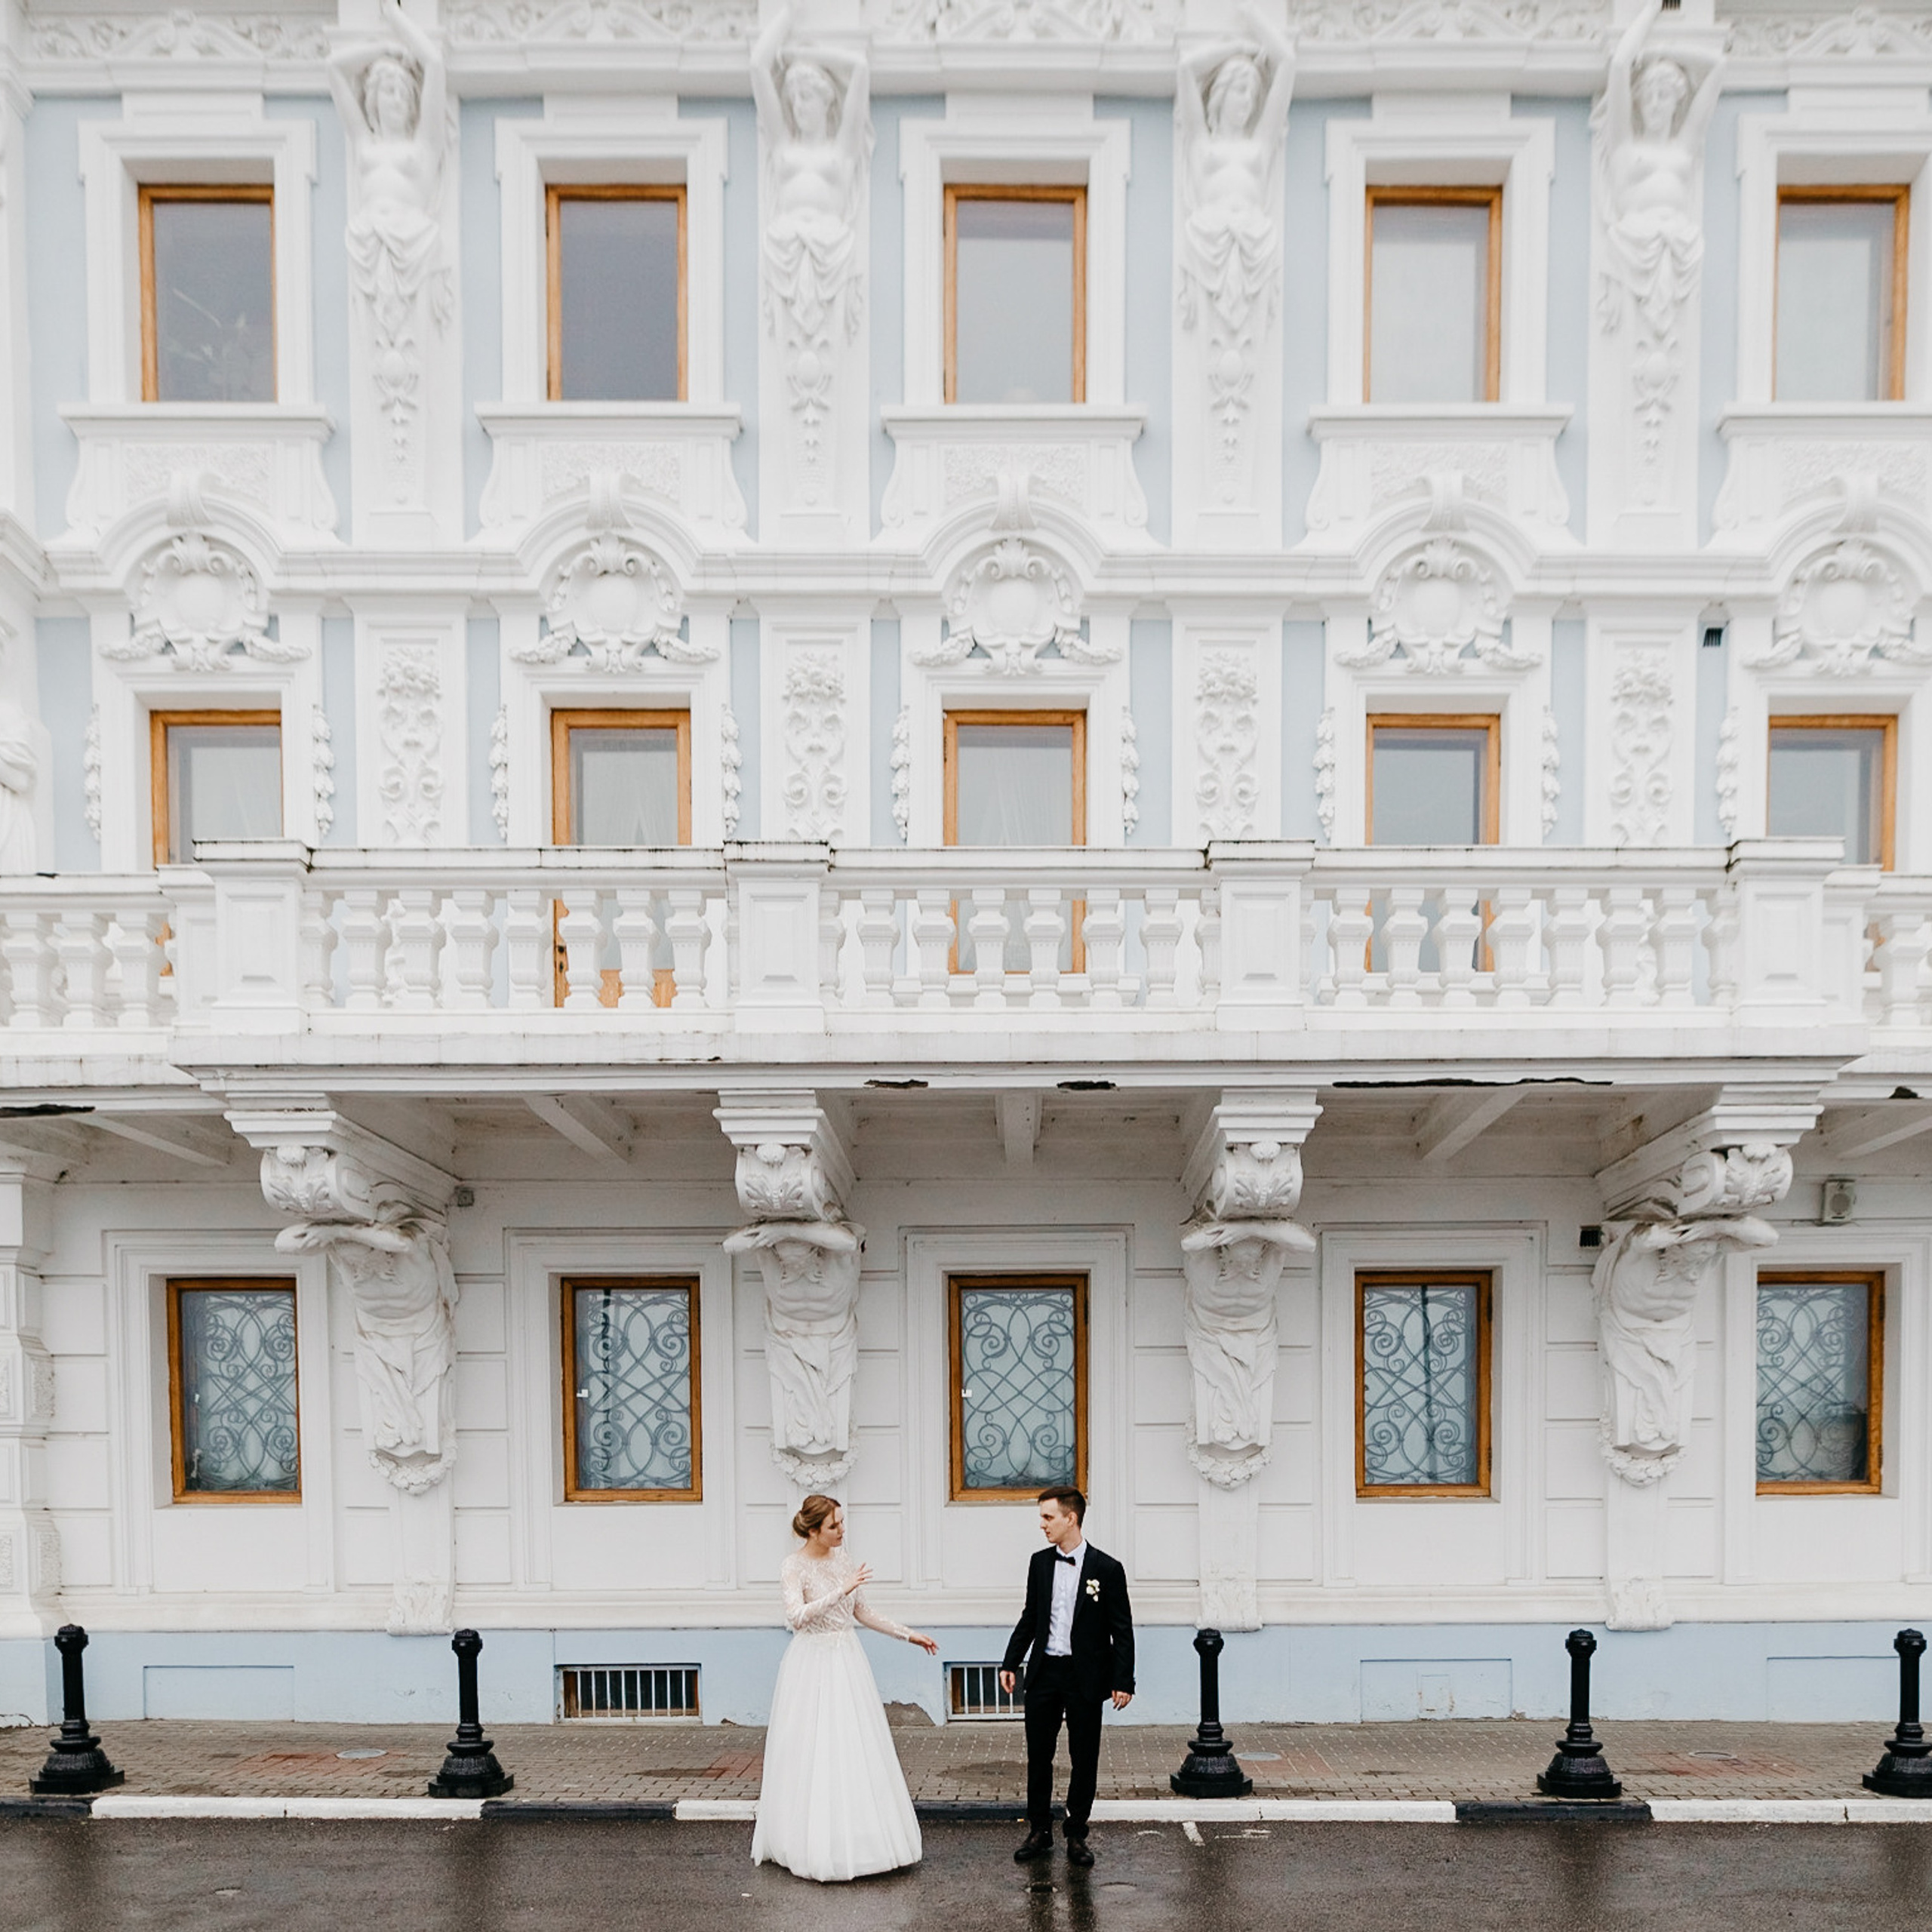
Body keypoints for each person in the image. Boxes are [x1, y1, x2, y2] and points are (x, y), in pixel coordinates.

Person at [753, 1494, 937, 1883]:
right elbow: (795, 1617)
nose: (841, 1531)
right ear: (814, 1529)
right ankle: (808, 1842)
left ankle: (864, 1839)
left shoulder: (843, 1558)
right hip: (811, 1663)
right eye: (834, 1526)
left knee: (855, 1747)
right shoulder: (794, 1566)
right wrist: (839, 1590)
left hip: (847, 1660)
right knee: (812, 1750)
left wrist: (909, 1635)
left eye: (842, 1523)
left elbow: (862, 1612)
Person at [999, 1486, 1135, 1869]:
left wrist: (1124, 1680)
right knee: (1039, 1755)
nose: (1041, 1525)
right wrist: (1010, 1663)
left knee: (1083, 1756)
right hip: (1044, 1673)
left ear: (1070, 1518)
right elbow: (1031, 1616)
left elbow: (1121, 1630)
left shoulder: (1107, 1569)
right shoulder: (1040, 1563)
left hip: (1085, 1677)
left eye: (1048, 1517)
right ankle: (1039, 1830)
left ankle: (1076, 1833)